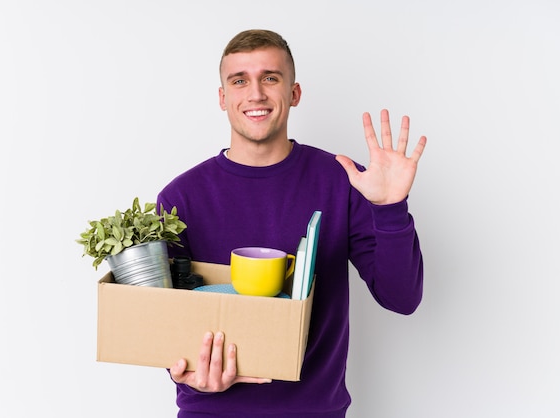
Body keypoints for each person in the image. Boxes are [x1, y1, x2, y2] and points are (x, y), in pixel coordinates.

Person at [156, 29, 427, 418]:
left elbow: (402, 299)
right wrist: (185, 372)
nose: (256, 94)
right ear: (223, 98)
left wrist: (390, 208)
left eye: (270, 78)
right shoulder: (180, 198)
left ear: (294, 93)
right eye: (239, 81)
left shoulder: (343, 182)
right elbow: (161, 323)